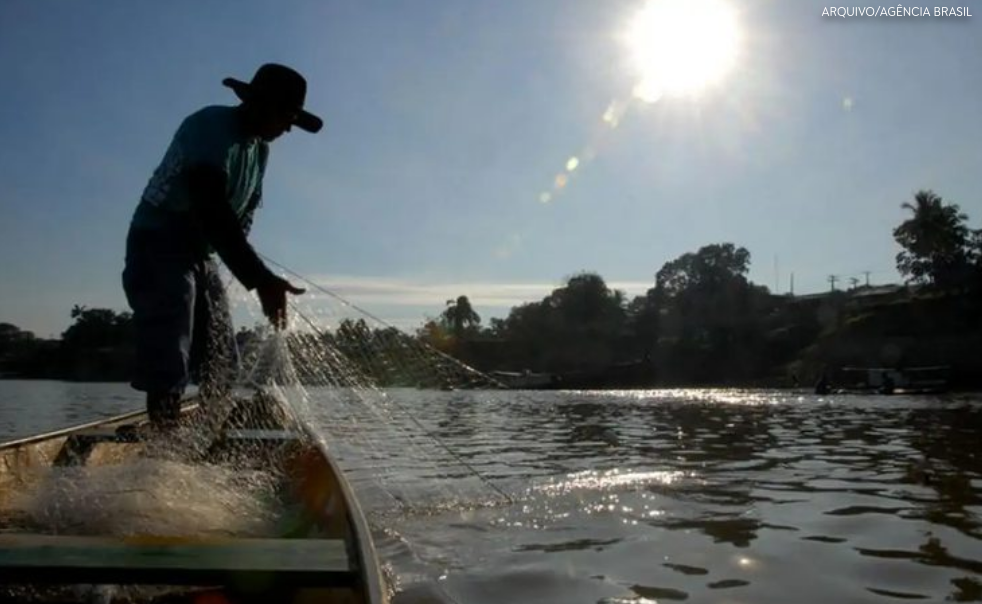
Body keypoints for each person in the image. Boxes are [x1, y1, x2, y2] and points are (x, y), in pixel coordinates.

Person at [122, 64, 320, 428]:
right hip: (158, 242)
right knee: (170, 340)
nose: (289, 127)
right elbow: (211, 208)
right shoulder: (211, 127)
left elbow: (236, 222)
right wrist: (260, 279)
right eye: (286, 116)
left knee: (222, 359)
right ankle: (163, 448)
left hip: (201, 253)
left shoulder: (259, 150)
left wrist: (255, 274)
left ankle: (207, 436)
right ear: (258, 104)